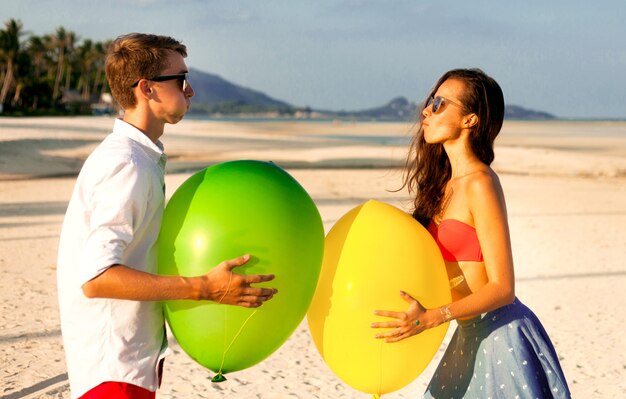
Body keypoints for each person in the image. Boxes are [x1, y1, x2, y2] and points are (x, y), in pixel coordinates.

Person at [57, 33, 277, 399]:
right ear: (148, 88)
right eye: (182, 80)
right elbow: (97, 277)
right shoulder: (126, 164)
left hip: (125, 363)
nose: (190, 92)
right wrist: (204, 288)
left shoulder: (138, 157)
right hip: (113, 370)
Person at [370, 68, 571, 398]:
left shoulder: (481, 183)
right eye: (430, 101)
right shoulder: (442, 186)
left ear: (470, 120)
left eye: (439, 103)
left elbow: (503, 287)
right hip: (467, 336)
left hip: (501, 335)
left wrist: (435, 317)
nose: (426, 110)